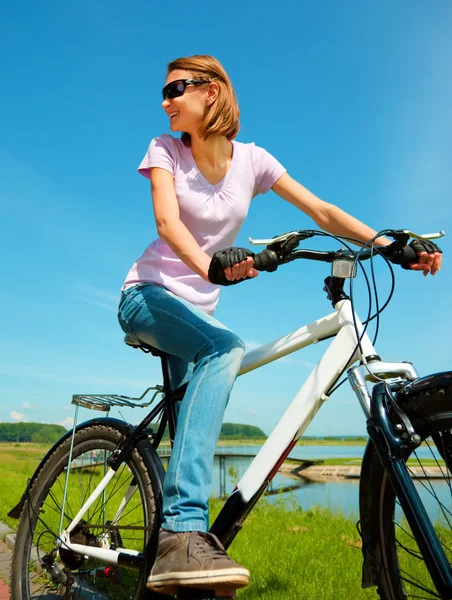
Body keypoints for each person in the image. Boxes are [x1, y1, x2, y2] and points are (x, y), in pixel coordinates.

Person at [117, 54, 442, 595]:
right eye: (165, 92)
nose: (165, 100)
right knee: (225, 351)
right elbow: (167, 223)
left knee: (188, 422)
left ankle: (167, 559)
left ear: (212, 93)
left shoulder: (253, 161)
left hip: (196, 312)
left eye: (176, 89)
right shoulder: (165, 150)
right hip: (147, 296)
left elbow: (321, 210)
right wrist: (210, 267)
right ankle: (182, 532)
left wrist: (388, 245)